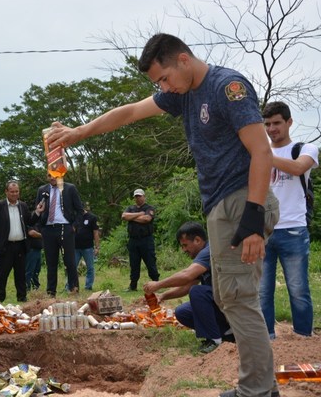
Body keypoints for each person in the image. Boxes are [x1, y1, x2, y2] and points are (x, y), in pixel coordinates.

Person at [46, 33, 280, 397]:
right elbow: (130, 112)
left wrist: (252, 220)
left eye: (163, 78)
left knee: (239, 297)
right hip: (220, 206)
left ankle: (259, 391)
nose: (162, 87)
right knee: (228, 295)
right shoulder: (182, 95)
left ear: (183, 60)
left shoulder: (227, 87)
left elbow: (261, 152)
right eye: (157, 83)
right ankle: (257, 386)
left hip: (241, 201)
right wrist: (80, 132)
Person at [259, 101, 319, 339]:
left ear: (289, 122)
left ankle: (303, 337)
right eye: (267, 124)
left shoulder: (305, 148)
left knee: (298, 289)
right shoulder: (259, 152)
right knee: (262, 291)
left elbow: (297, 168)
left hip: (294, 229)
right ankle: (267, 338)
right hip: (263, 230)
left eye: (276, 123)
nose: (272, 129)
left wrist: (263, 155)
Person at [143, 222, 232, 354]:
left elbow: (187, 275)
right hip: (220, 303)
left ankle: (214, 340)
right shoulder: (203, 256)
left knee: (198, 292)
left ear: (197, 240)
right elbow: (187, 286)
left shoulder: (209, 251)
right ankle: (226, 334)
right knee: (182, 312)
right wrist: (163, 296)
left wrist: (158, 284)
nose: (184, 250)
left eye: (185, 245)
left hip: (230, 303)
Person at [0, 181, 42, 303]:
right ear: (6, 192)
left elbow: (29, 222)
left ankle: (22, 297)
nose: (15, 194)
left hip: (20, 245)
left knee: (20, 274)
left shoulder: (23, 206)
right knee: (2, 274)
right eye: (12, 192)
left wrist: (37, 212)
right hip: (5, 246)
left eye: (17, 191)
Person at [35, 173, 84, 297]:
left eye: (54, 176)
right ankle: (51, 292)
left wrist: (74, 226)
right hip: (48, 228)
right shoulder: (42, 190)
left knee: (70, 261)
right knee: (51, 263)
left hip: (65, 227)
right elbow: (37, 210)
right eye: (49, 175)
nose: (52, 178)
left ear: (60, 175)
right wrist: (41, 227)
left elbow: (79, 210)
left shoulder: (69, 188)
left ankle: (74, 290)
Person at [122, 189, 160, 291]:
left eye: (139, 196)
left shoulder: (149, 208)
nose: (137, 198)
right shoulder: (131, 207)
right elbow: (124, 216)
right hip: (133, 240)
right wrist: (139, 214)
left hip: (146, 240)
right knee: (134, 264)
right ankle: (133, 286)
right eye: (136, 196)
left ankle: (156, 283)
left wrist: (132, 217)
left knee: (150, 262)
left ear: (144, 196)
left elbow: (147, 219)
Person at [74, 203, 100, 291]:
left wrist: (97, 247)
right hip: (75, 247)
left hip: (88, 247)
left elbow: (96, 233)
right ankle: (71, 286)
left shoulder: (92, 217)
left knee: (90, 267)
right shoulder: (75, 217)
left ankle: (88, 286)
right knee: (72, 267)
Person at [25, 224, 43, 291]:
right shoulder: (29, 222)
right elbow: (31, 233)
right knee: (29, 270)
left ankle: (36, 287)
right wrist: (43, 235)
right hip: (31, 250)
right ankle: (27, 288)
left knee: (36, 270)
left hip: (38, 250)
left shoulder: (38, 223)